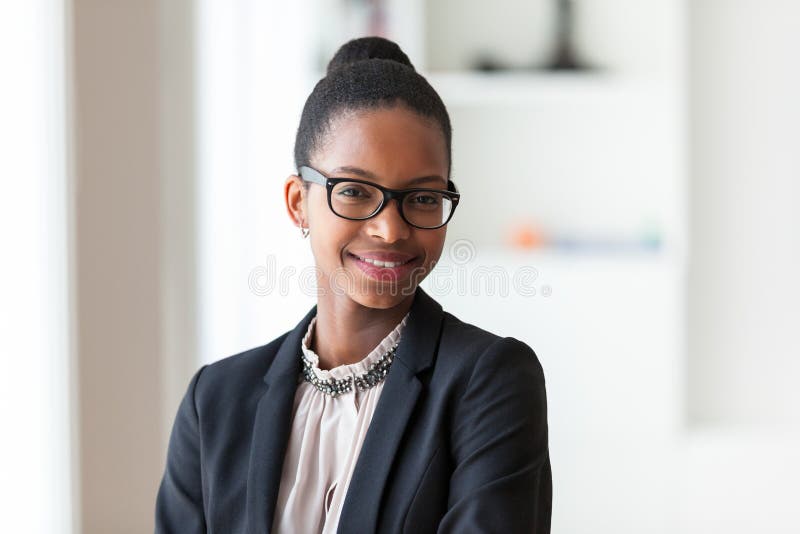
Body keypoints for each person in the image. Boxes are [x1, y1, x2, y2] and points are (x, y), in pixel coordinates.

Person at [155, 36, 551, 533]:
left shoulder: (488, 382)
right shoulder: (214, 401)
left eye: (424, 198)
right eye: (355, 192)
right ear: (299, 201)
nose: (390, 229)